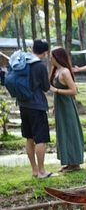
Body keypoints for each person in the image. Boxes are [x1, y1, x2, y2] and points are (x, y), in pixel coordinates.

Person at [17, 39, 52, 179]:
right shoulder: (39, 66)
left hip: (23, 104)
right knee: (40, 139)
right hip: (37, 106)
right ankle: (42, 171)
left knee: (29, 138)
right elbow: (45, 87)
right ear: (45, 52)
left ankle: (34, 170)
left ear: (33, 49)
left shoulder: (23, 62)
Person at [49, 46, 85, 172]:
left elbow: (74, 90)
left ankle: (75, 163)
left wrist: (56, 90)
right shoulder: (56, 71)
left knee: (70, 132)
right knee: (63, 132)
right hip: (60, 106)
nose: (50, 59)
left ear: (57, 57)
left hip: (67, 106)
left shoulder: (64, 72)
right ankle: (69, 162)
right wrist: (54, 106)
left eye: (52, 56)